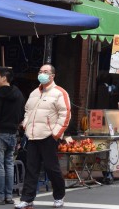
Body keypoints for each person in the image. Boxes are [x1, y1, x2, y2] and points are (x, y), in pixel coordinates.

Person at [15, 64, 71, 209]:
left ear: (52, 76)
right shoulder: (34, 93)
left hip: (48, 136)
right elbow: (27, 110)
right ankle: (27, 199)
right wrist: (26, 124)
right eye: (40, 71)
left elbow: (65, 115)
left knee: (51, 168)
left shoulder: (60, 93)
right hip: (32, 136)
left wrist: (56, 134)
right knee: (31, 168)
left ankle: (59, 196)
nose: (42, 74)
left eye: (45, 72)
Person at [0, 68, 25, 205]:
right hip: (13, 133)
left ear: (3, 78)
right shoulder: (18, 93)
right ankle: (8, 196)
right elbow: (22, 114)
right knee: (9, 164)